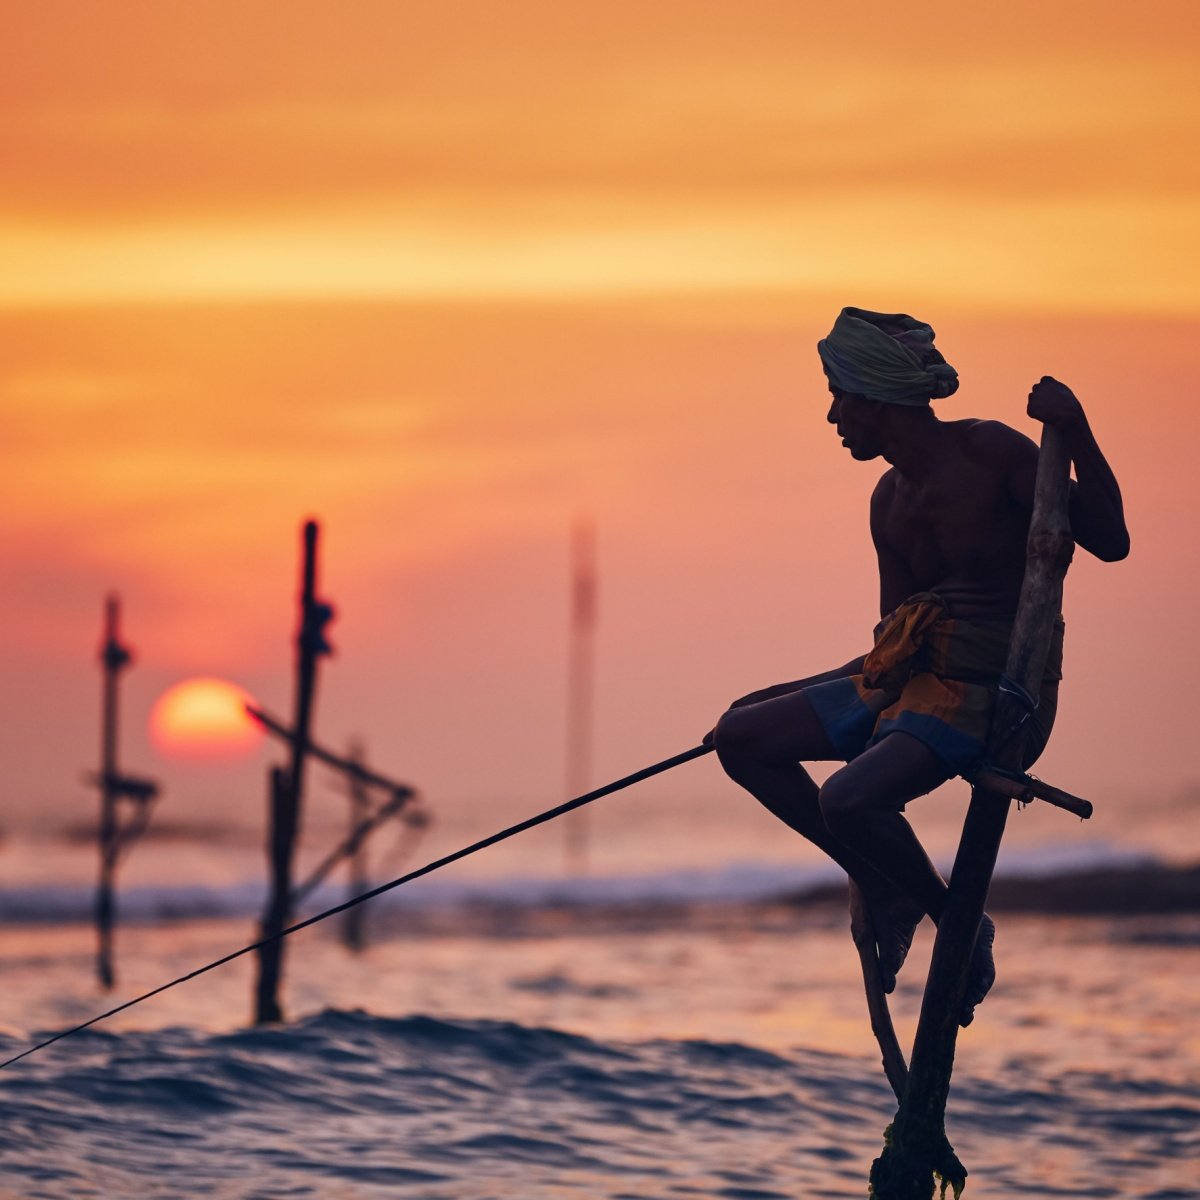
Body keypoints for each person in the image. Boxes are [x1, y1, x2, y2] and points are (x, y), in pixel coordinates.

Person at [709, 307, 1129, 1026]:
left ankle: (953, 921)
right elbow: (891, 640)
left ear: (877, 397)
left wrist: (1077, 426)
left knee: (848, 800)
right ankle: (876, 874)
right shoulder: (887, 500)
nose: (834, 414)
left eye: (841, 396)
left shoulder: (993, 453)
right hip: (914, 683)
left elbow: (1110, 539)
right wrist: (811, 690)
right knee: (739, 734)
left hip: (992, 694)